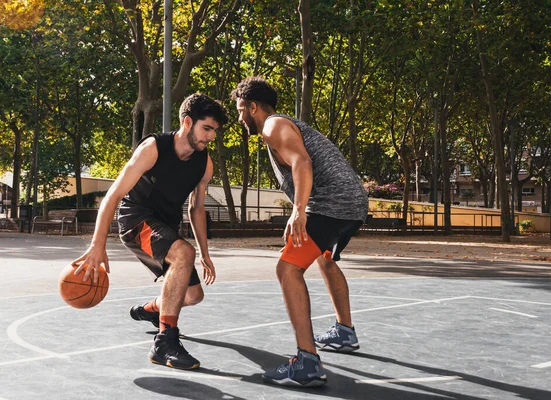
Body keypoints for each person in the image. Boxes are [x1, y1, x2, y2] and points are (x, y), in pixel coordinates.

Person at [71, 93, 228, 370]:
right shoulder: (153, 148)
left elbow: (197, 209)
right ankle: (164, 342)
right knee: (183, 254)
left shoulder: (205, 164)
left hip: (165, 227)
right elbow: (113, 195)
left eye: (215, 131)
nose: (211, 136)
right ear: (187, 122)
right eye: (207, 128)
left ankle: (151, 310)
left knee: (192, 296)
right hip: (135, 220)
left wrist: (205, 253)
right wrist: (98, 245)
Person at [231, 77, 368, 387]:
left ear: (254, 107)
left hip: (331, 204)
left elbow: (302, 162)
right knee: (324, 259)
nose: (240, 118)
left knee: (287, 269)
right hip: (352, 203)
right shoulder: (283, 125)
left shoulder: (272, 126)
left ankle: (306, 361)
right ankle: (344, 332)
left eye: (241, 110)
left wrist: (298, 211)